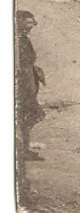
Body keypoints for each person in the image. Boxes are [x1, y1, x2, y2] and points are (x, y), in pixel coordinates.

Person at [15, 9, 45, 163]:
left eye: (32, 23)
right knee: (26, 115)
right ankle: (21, 150)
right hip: (22, 84)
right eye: (28, 23)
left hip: (27, 82)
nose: (31, 26)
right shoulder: (17, 42)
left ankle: (23, 148)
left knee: (25, 116)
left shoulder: (22, 40)